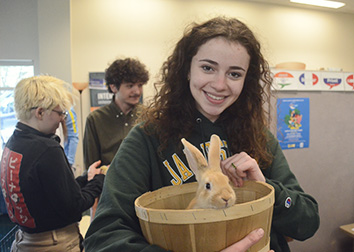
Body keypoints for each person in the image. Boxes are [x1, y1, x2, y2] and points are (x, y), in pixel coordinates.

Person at [84, 17, 319, 252]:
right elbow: (102, 238)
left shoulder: (258, 136)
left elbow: (307, 223)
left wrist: (267, 187)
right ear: (187, 69)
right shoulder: (146, 138)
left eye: (234, 74)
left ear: (246, 80)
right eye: (208, 68)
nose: (219, 84)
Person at [0, 75, 105, 252]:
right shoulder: (47, 149)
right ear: (40, 112)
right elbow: (73, 207)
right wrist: (99, 181)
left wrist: (86, 179)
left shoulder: (13, 143)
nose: (62, 119)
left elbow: (54, 192)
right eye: (60, 113)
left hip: (24, 240)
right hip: (53, 243)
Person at [83, 58, 149, 169]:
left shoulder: (149, 116)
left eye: (140, 85)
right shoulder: (95, 119)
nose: (137, 91)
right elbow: (92, 166)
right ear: (113, 87)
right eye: (130, 86)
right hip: (106, 183)